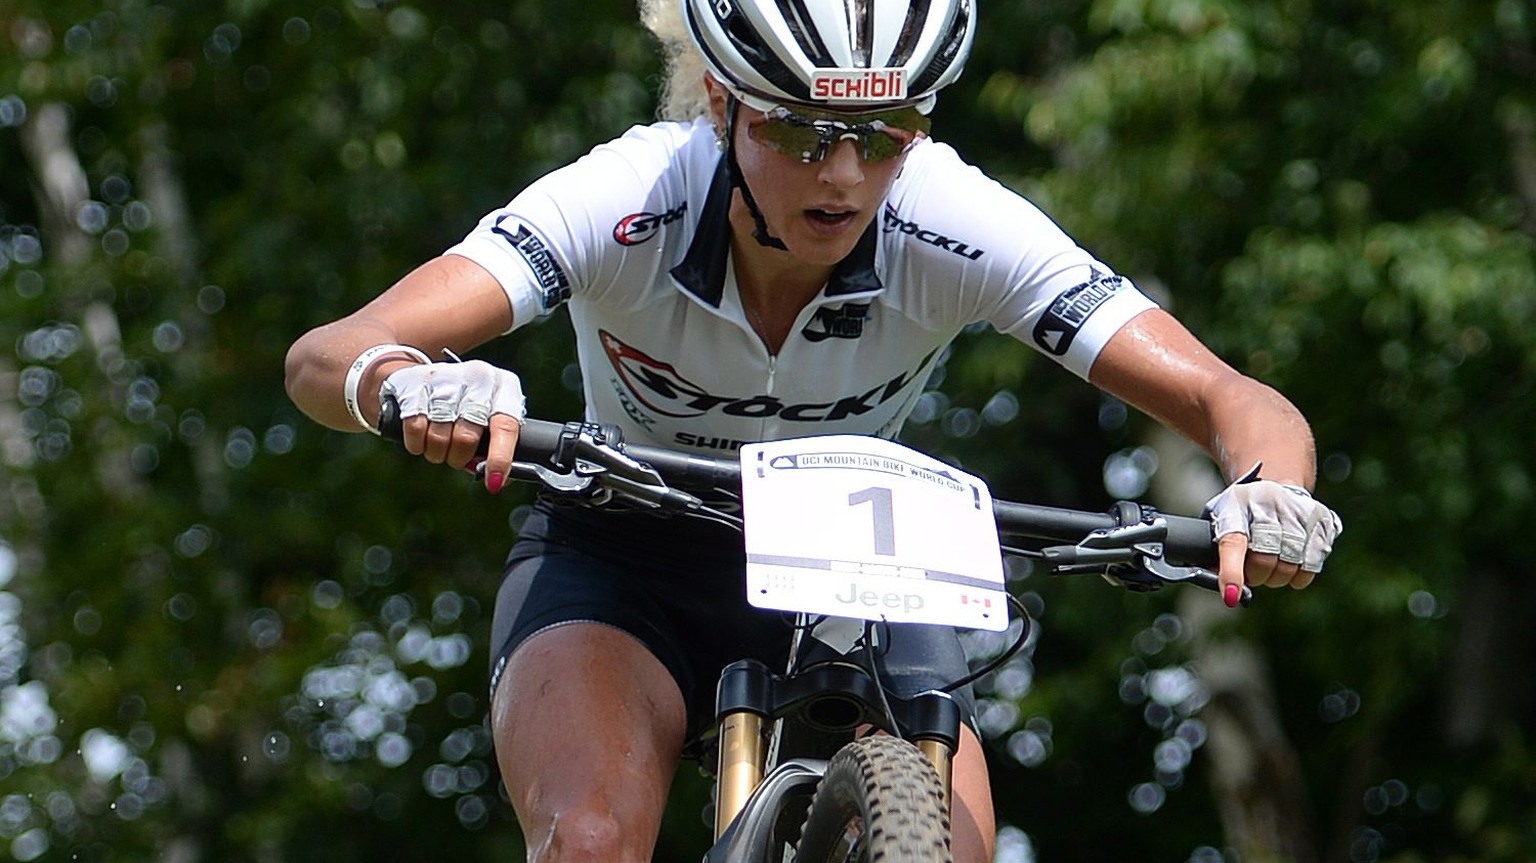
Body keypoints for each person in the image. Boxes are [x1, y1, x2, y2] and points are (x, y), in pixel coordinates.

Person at [285, 0, 1343, 859]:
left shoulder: (953, 218)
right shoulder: (629, 193)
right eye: (800, 130)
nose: (844, 175)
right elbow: (330, 351)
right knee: (594, 836)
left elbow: (1231, 398)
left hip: (860, 563)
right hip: (623, 555)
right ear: (720, 103)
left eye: (887, 134)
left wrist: (1271, 489)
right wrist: (405, 382)